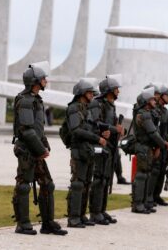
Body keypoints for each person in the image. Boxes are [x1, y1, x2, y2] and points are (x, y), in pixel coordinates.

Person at [11, 62, 67, 236]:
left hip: (36, 149)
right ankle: (23, 224)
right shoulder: (26, 100)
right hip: (27, 150)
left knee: (47, 185)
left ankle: (48, 223)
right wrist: (40, 148)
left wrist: (44, 144)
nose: (46, 81)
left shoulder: (36, 100)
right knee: (23, 186)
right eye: (43, 78)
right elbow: (27, 131)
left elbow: (37, 127)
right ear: (35, 80)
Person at [66, 78, 106, 228]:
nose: (92, 94)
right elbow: (76, 130)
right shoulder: (74, 108)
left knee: (86, 184)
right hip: (78, 150)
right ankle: (73, 217)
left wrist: (103, 133)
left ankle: (81, 215)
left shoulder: (86, 108)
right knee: (77, 184)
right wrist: (97, 138)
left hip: (87, 150)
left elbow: (91, 127)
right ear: (82, 93)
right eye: (89, 92)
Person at [88, 74, 124, 225]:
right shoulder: (97, 104)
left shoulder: (110, 105)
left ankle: (102, 210)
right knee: (98, 179)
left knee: (105, 179)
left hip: (110, 146)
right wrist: (114, 129)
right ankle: (95, 213)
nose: (118, 92)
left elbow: (111, 125)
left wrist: (119, 131)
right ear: (109, 89)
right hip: (100, 145)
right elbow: (95, 123)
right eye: (116, 89)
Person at [132, 86, 168, 214]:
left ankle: (143, 203)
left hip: (147, 147)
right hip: (143, 147)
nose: (155, 101)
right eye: (152, 100)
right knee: (142, 176)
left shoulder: (147, 113)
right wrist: (164, 144)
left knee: (147, 175)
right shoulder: (144, 114)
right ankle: (138, 204)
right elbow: (153, 133)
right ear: (146, 101)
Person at [151, 84, 168, 206]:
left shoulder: (165, 112)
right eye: (167, 95)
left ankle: (156, 195)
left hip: (166, 146)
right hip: (159, 145)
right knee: (155, 172)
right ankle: (150, 197)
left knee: (161, 172)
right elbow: (157, 130)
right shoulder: (156, 110)